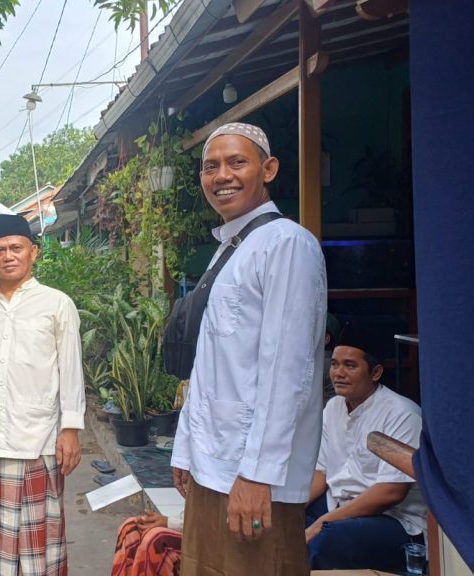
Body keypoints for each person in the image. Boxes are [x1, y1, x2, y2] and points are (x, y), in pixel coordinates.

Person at [170, 123, 327, 576]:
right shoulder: (231, 247)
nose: (222, 176)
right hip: (213, 465)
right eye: (210, 167)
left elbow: (289, 372)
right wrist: (185, 448)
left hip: (256, 477)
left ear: (269, 168)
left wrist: (258, 474)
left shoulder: (287, 245)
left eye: (237, 162)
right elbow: (209, 365)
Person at [0, 214, 85, 575]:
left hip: (40, 441)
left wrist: (71, 428)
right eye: (0, 250)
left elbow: (70, 371)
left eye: (16, 248)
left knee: (43, 542)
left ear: (33, 253)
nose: (9, 256)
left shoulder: (57, 305)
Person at [306, 332, 425, 572]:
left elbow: (389, 493)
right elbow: (321, 472)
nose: (338, 373)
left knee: (327, 539)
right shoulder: (334, 407)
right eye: (335, 364)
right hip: (339, 503)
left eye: (350, 365)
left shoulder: (403, 414)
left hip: (395, 519)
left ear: (376, 372)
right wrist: (290, 508)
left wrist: (321, 524)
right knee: (281, 521)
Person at [112, 511, 184, 576]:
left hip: (193, 539)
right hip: (185, 523)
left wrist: (169, 522)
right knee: (130, 526)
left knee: (157, 539)